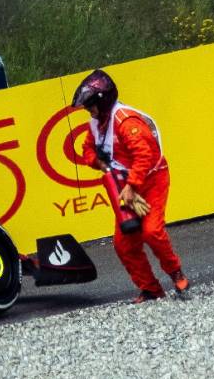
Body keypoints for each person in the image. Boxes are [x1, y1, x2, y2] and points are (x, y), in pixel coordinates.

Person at [70, 68, 191, 303]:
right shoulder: (96, 124)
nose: (88, 111)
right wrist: (99, 163)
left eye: (90, 105)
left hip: (151, 179)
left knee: (152, 232)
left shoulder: (126, 121)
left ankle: (176, 272)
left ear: (102, 101)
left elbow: (145, 155)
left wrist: (132, 185)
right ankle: (151, 289)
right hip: (124, 185)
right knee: (124, 243)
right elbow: (86, 150)